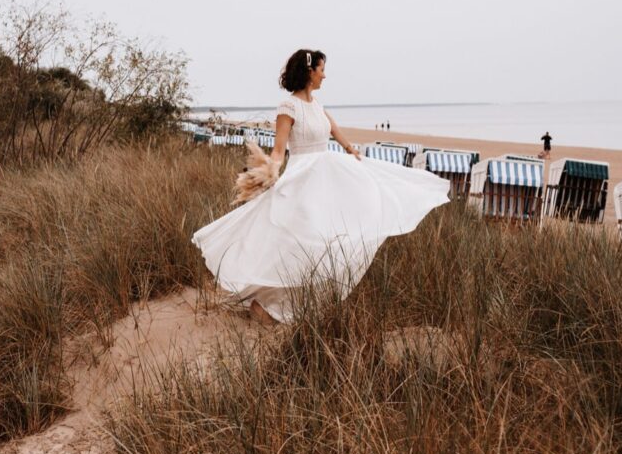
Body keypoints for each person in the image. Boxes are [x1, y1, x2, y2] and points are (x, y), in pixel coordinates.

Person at [191, 49, 450, 323]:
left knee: (335, 237)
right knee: (305, 243)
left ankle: (301, 305)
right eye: (321, 70)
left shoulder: (317, 106)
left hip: (328, 176)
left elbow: (335, 131)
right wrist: (269, 170)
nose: (325, 75)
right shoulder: (287, 107)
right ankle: (270, 305)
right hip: (302, 178)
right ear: (309, 72)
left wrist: (353, 152)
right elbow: (279, 150)